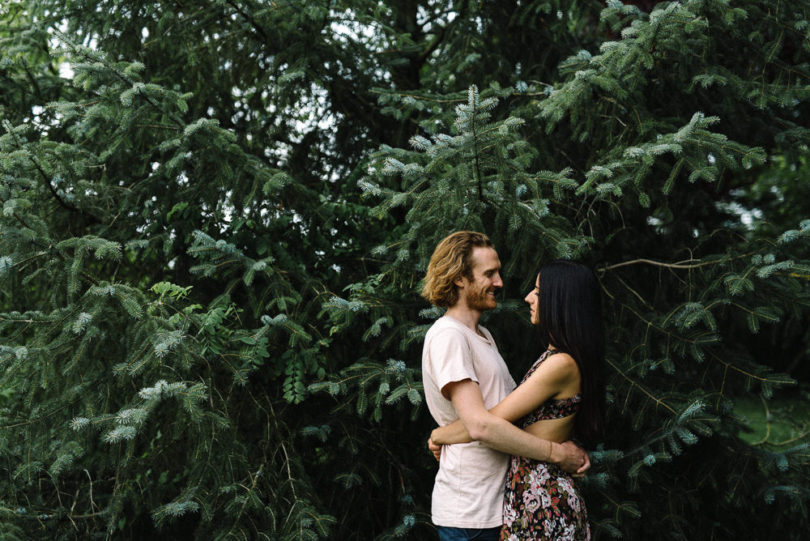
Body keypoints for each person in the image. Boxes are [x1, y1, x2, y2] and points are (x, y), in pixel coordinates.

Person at [421, 231, 590, 541]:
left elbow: (505, 413)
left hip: (502, 503)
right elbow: (481, 425)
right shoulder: (449, 336)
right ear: (460, 278)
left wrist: (442, 434)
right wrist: (557, 452)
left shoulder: (482, 336)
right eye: (489, 274)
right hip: (471, 511)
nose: (499, 282)